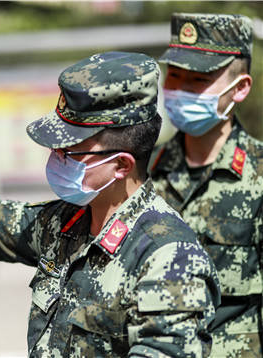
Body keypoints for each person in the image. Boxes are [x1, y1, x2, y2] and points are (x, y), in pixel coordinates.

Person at [0, 51, 220, 357]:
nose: (56, 158)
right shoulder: (67, 221)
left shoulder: (170, 259)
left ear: (121, 165)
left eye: (70, 152)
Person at [151, 13, 263, 357]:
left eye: (198, 80)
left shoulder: (258, 174)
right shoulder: (143, 170)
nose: (180, 90)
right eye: (174, 76)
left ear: (240, 88)